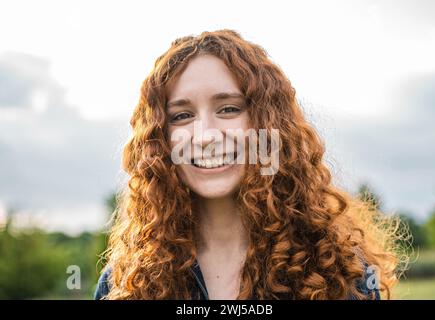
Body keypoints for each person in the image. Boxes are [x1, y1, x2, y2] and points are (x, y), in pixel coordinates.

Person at [94, 29, 405, 300]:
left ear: (268, 126)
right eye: (182, 116)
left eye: (228, 109)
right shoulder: (124, 283)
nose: (205, 137)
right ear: (161, 139)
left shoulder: (340, 273)